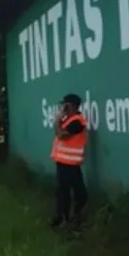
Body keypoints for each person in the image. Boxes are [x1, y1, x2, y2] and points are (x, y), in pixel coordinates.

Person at [51, 93, 89, 228]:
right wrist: (60, 120)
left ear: (71, 106)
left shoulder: (77, 121)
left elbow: (61, 135)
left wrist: (56, 121)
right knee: (63, 193)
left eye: (65, 105)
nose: (62, 107)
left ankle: (71, 219)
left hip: (70, 164)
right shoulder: (68, 120)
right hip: (64, 163)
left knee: (79, 194)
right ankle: (64, 219)